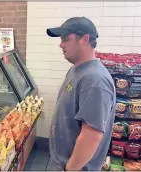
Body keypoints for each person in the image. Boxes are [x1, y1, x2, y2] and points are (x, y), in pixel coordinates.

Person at [46, 17, 116, 171]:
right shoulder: (77, 70)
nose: (61, 44)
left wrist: (69, 169)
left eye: (65, 39)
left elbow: (92, 135)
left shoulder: (95, 80)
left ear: (84, 39)